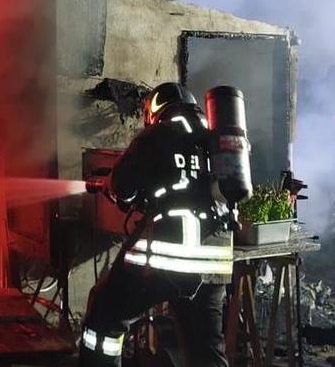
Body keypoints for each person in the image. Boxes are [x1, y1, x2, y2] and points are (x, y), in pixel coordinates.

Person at [79, 82, 250, 367]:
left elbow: (123, 187)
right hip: (213, 264)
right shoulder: (213, 139)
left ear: (155, 108)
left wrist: (108, 184)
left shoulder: (158, 134)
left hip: (166, 259)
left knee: (105, 315)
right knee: (205, 349)